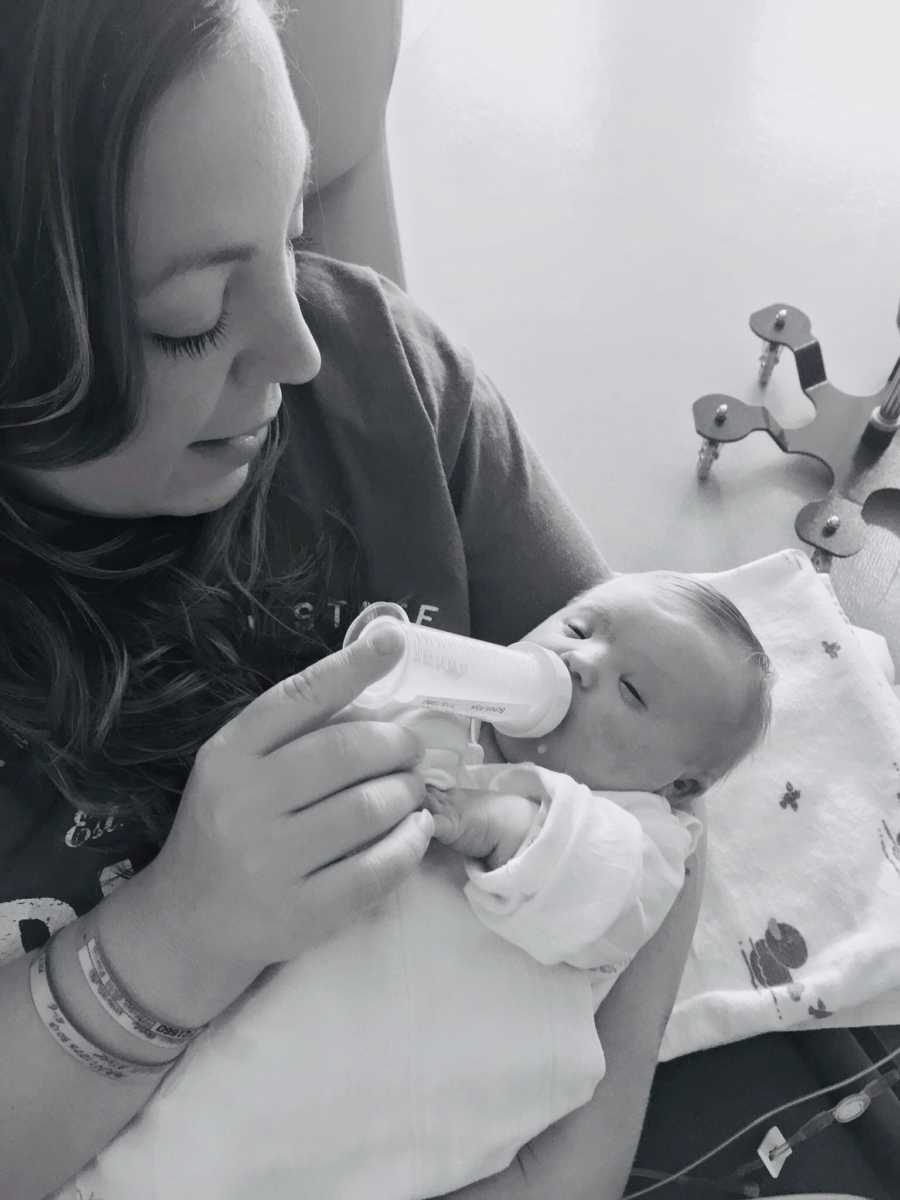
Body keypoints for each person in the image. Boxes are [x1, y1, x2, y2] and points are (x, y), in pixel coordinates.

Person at [0, 2, 706, 1198]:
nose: (295, 351)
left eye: (291, 225)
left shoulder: (385, 379)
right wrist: (178, 936)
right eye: (189, 320)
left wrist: (574, 1167)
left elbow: (673, 783)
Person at [60, 573, 771, 1200]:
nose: (580, 663)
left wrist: (505, 826)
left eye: (633, 690)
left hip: (414, 1092)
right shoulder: (444, 708)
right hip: (285, 1026)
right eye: (580, 629)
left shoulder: (646, 830)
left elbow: (606, 891)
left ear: (683, 783)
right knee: (186, 1136)